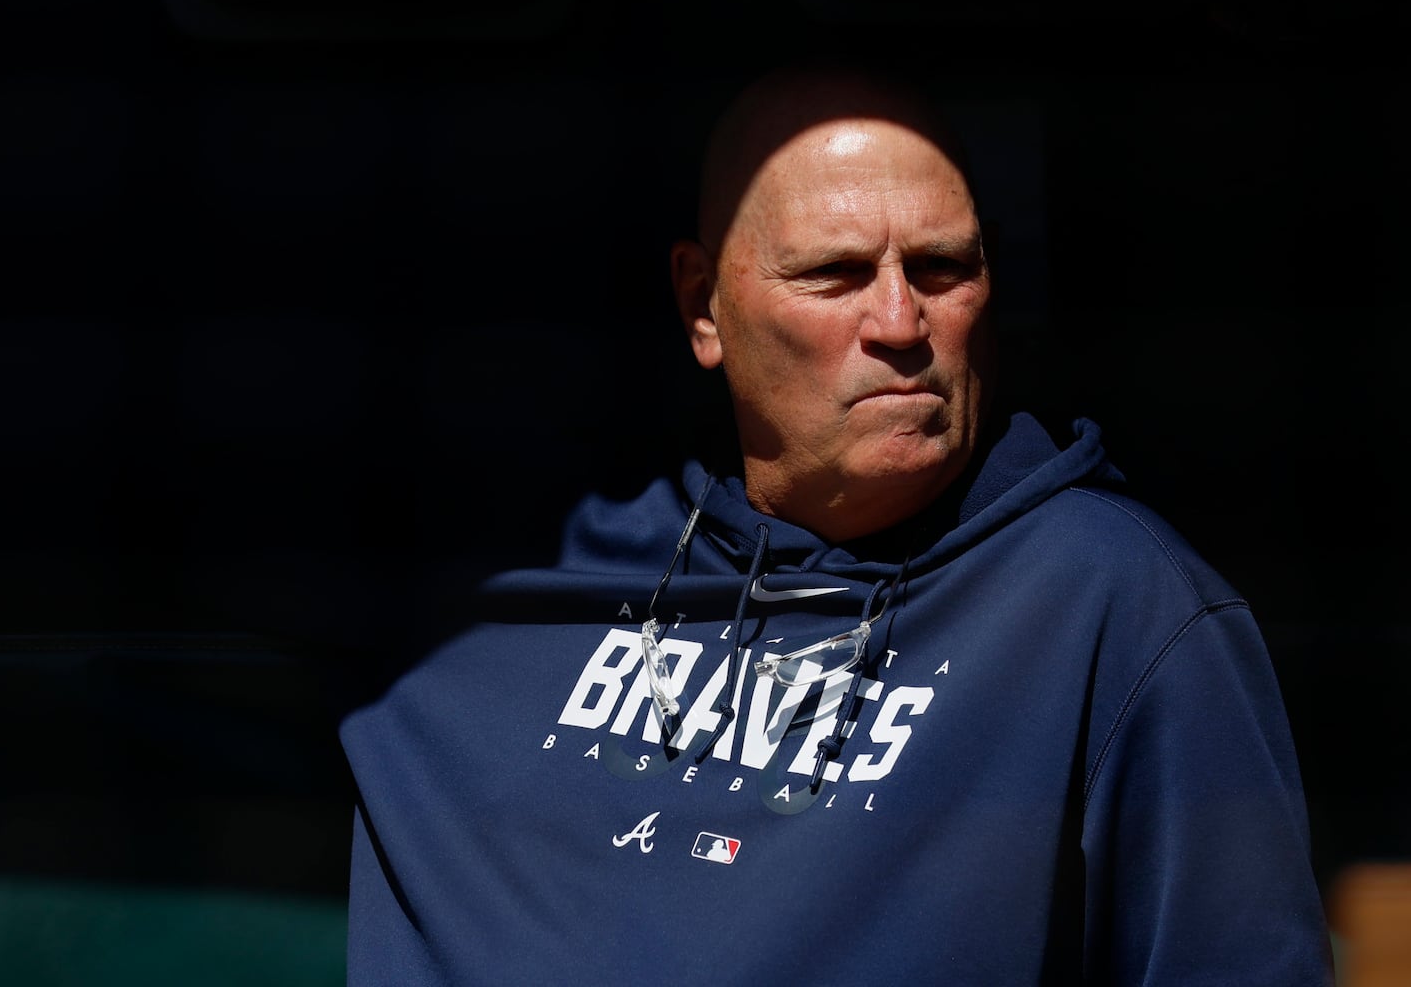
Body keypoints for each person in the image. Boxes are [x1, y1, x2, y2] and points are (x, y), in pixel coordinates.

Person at [339, 62, 1335, 985]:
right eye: (836, 274)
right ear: (703, 306)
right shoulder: (523, 602)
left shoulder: (1117, 603)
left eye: (943, 267)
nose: (901, 323)